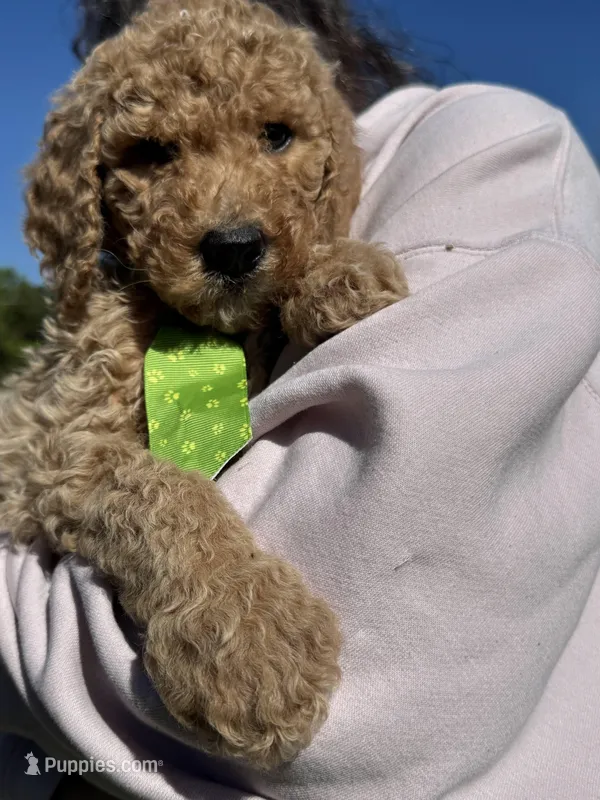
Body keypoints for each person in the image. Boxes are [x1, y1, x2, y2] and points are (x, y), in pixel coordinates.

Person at [2, 1, 600, 798]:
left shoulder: (492, 147)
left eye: (275, 136)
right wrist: (181, 552)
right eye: (154, 152)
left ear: (332, 158)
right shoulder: (114, 327)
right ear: (85, 194)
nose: (226, 213)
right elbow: (63, 469)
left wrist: (319, 275)